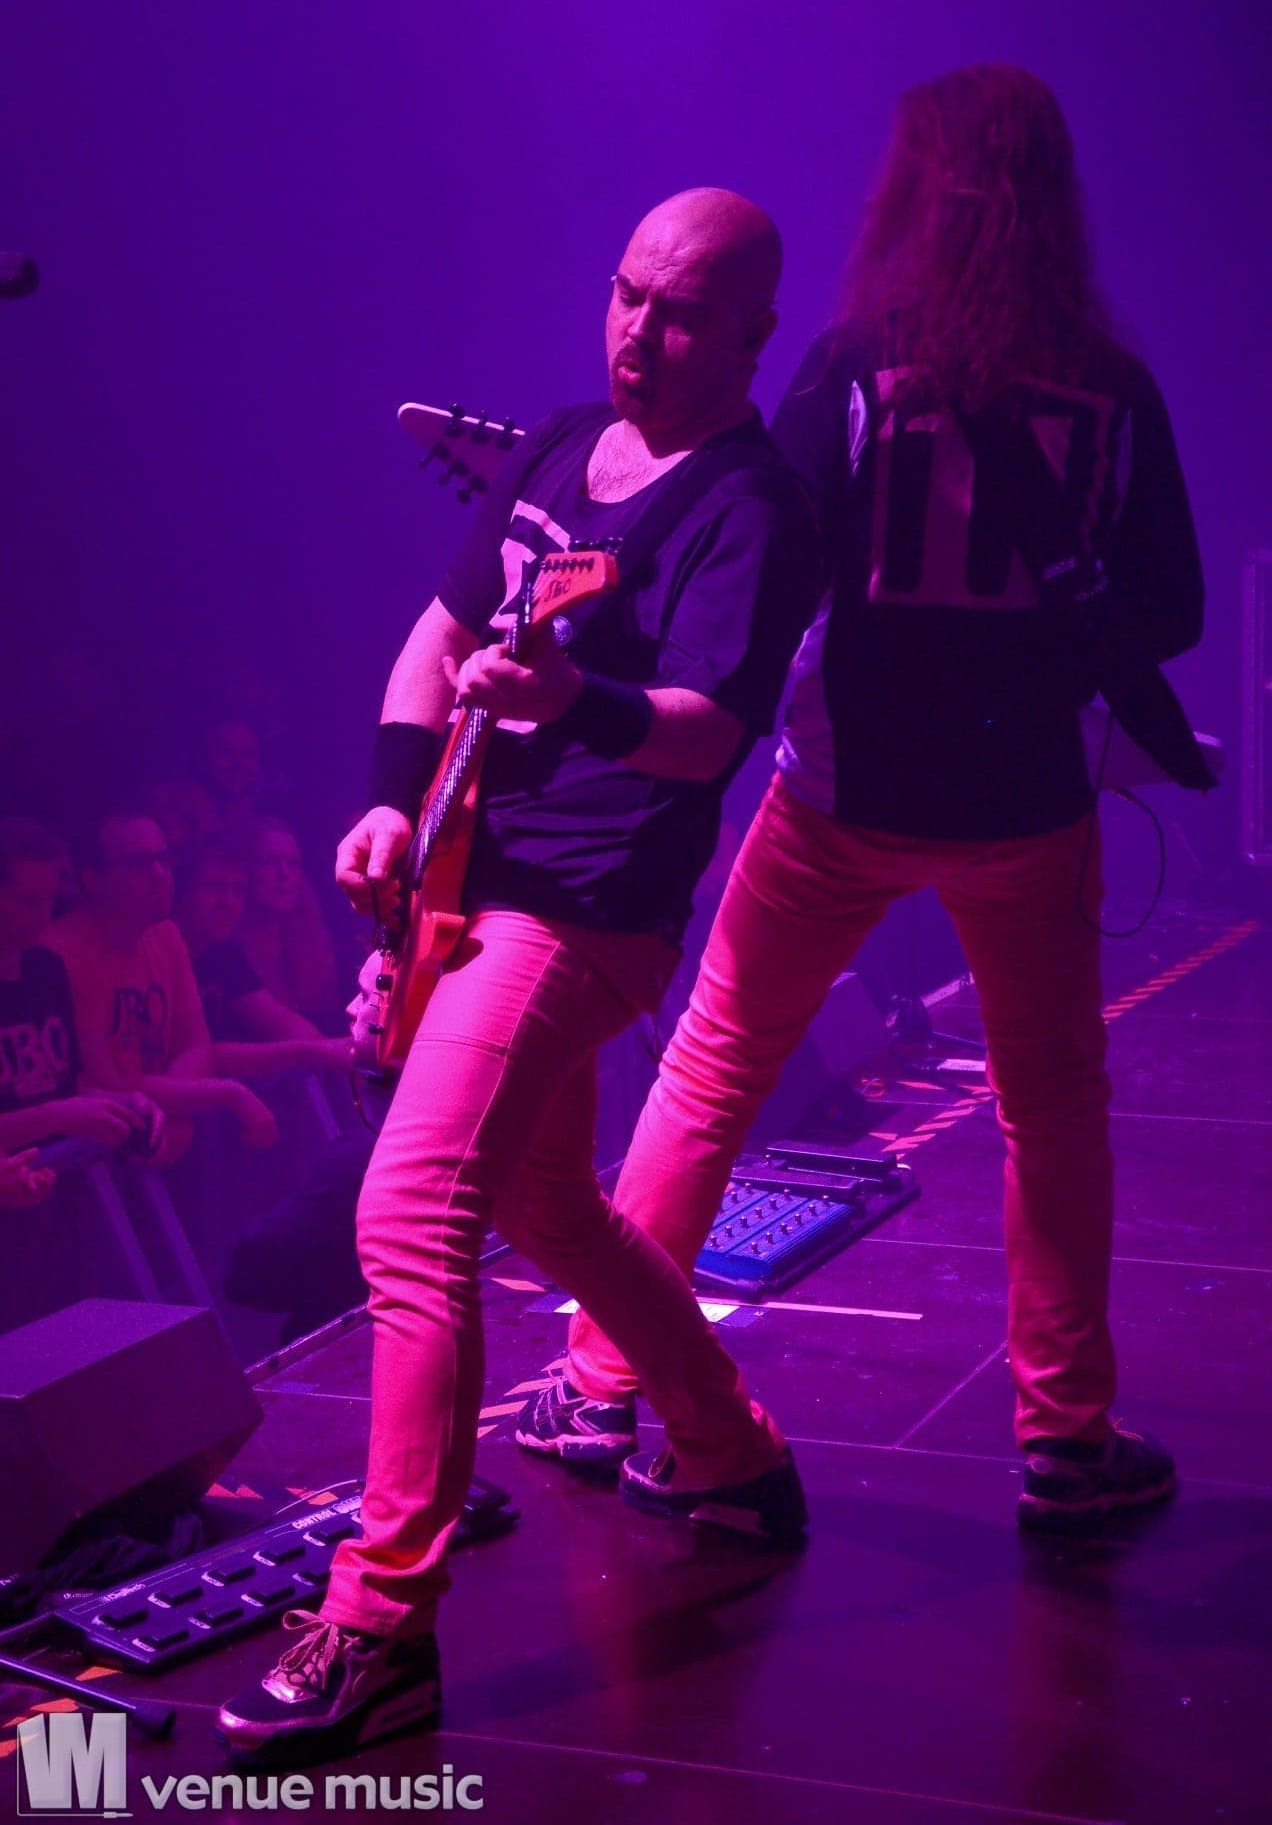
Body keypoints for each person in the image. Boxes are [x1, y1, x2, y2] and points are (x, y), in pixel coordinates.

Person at [520, 68, 1204, 1536]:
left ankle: (599, 1382)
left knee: (711, 1073)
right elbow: (1176, 608)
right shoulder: (1115, 385)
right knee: (1051, 1109)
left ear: (910, 195)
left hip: (841, 792)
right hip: (1025, 804)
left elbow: (772, 560)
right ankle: (1066, 1435)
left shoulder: (848, 365)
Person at [218, 186, 822, 1760]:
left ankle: (380, 1624)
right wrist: (387, 797)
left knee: (410, 1210)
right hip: (475, 877)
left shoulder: (750, 507)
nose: (641, 332)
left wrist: (572, 701)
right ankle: (732, 1453)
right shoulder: (561, 446)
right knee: (550, 1204)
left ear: (752, 335)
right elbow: (436, 635)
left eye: (681, 313)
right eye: (628, 294)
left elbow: (707, 734)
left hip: (588, 910)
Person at [43, 811, 280, 1154]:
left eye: (163, 859)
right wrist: (214, 1095)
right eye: (140, 864)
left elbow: (196, 1046)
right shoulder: (60, 955)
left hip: (148, 1135)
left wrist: (167, 1109)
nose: (159, 874)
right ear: (93, 880)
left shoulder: (165, 935)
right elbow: (104, 1083)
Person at [0, 816, 161, 1159]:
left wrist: (123, 1103)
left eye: (50, 901)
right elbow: (57, 1110)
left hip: (62, 1175)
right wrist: (54, 1117)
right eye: (29, 901)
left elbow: (67, 1088)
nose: (44, 916)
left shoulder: (46, 968)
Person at [179, 837, 351, 1079]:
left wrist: (335, 1055)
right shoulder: (168, 948)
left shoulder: (224, 954)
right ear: (182, 891)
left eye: (237, 891)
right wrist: (316, 1051)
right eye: (214, 887)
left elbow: (280, 1021)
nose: (228, 901)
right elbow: (201, 1054)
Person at [237, 819, 342, 1028]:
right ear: (246, 871)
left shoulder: (309, 938)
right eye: (268, 863)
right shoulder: (232, 949)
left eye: (292, 864)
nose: (284, 874)